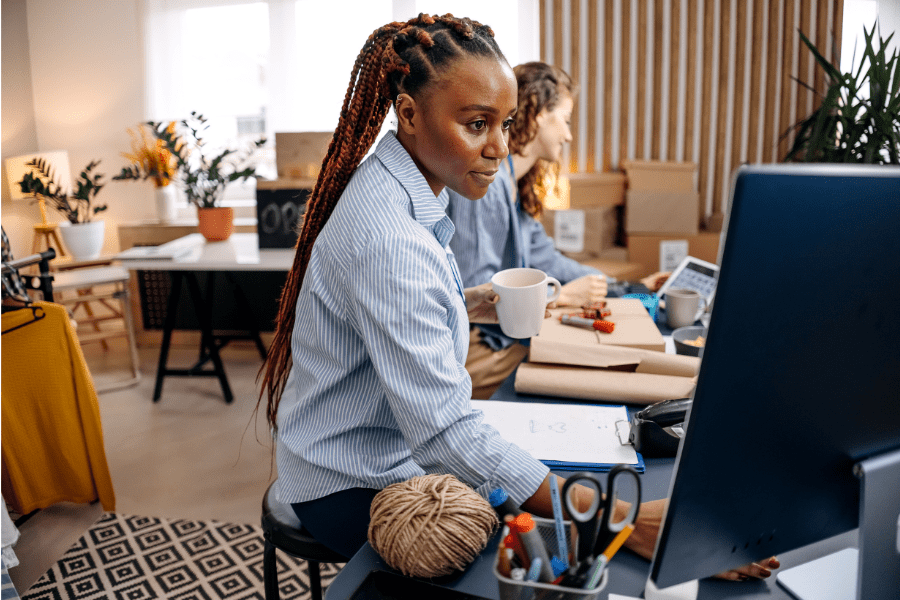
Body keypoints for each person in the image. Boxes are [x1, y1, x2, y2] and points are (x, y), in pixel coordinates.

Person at [257, 13, 776, 582]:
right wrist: (623, 520)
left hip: (364, 451)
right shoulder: (391, 239)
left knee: (543, 511)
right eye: (477, 124)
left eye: (504, 124)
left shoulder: (393, 187)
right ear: (408, 113)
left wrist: (469, 300)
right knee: (538, 557)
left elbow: (397, 314)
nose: (499, 148)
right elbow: (447, 432)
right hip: (350, 482)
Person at [446, 62, 608, 399]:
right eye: (564, 120)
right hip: (470, 346)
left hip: (487, 335)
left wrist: (615, 285)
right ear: (535, 114)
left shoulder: (515, 185)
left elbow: (544, 256)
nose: (569, 135)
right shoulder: (486, 185)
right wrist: (559, 296)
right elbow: (479, 290)